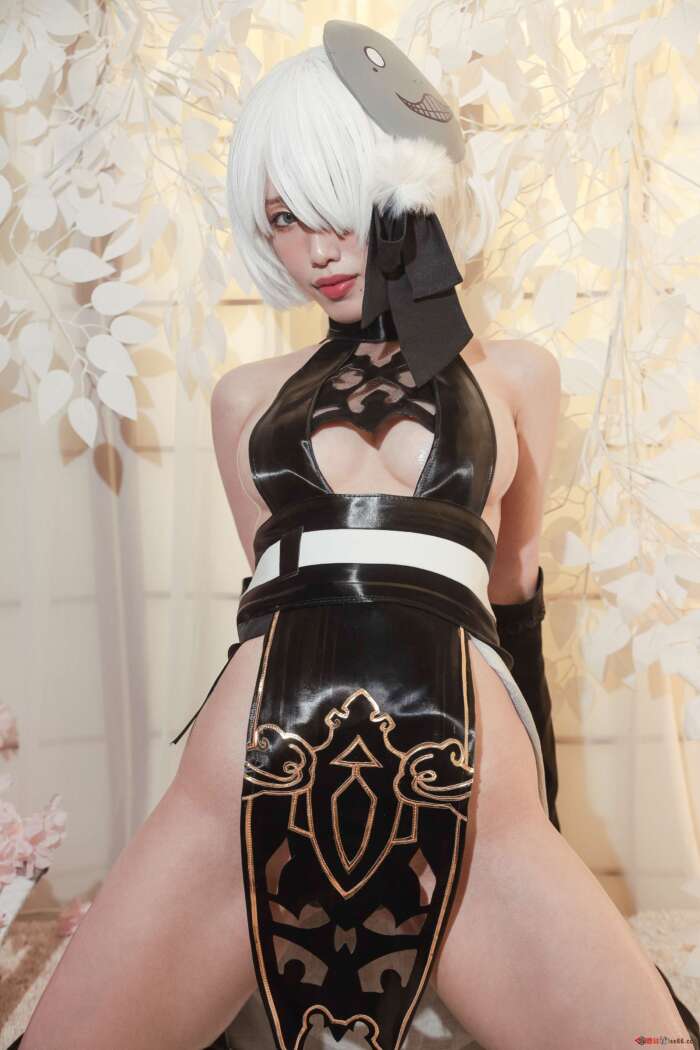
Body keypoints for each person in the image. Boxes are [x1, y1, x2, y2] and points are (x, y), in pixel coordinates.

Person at [10, 21, 699, 1050]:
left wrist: (541, 814)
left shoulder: (518, 376)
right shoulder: (242, 397)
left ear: (401, 190)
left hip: (473, 777)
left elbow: (513, 591)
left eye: (334, 204)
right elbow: (262, 616)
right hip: (251, 767)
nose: (313, 249)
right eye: (281, 219)